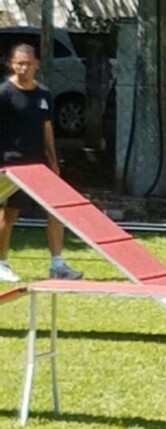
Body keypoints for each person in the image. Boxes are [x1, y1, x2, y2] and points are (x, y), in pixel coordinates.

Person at [0, 43, 82, 282]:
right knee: (9, 214)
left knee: (57, 211)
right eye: (19, 63)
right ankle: (2, 263)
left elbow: (46, 128)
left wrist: (53, 161)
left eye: (28, 63)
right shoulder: (4, 93)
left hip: (40, 166)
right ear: (11, 64)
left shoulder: (43, 94)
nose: (24, 68)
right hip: (12, 165)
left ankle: (57, 265)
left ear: (37, 64)